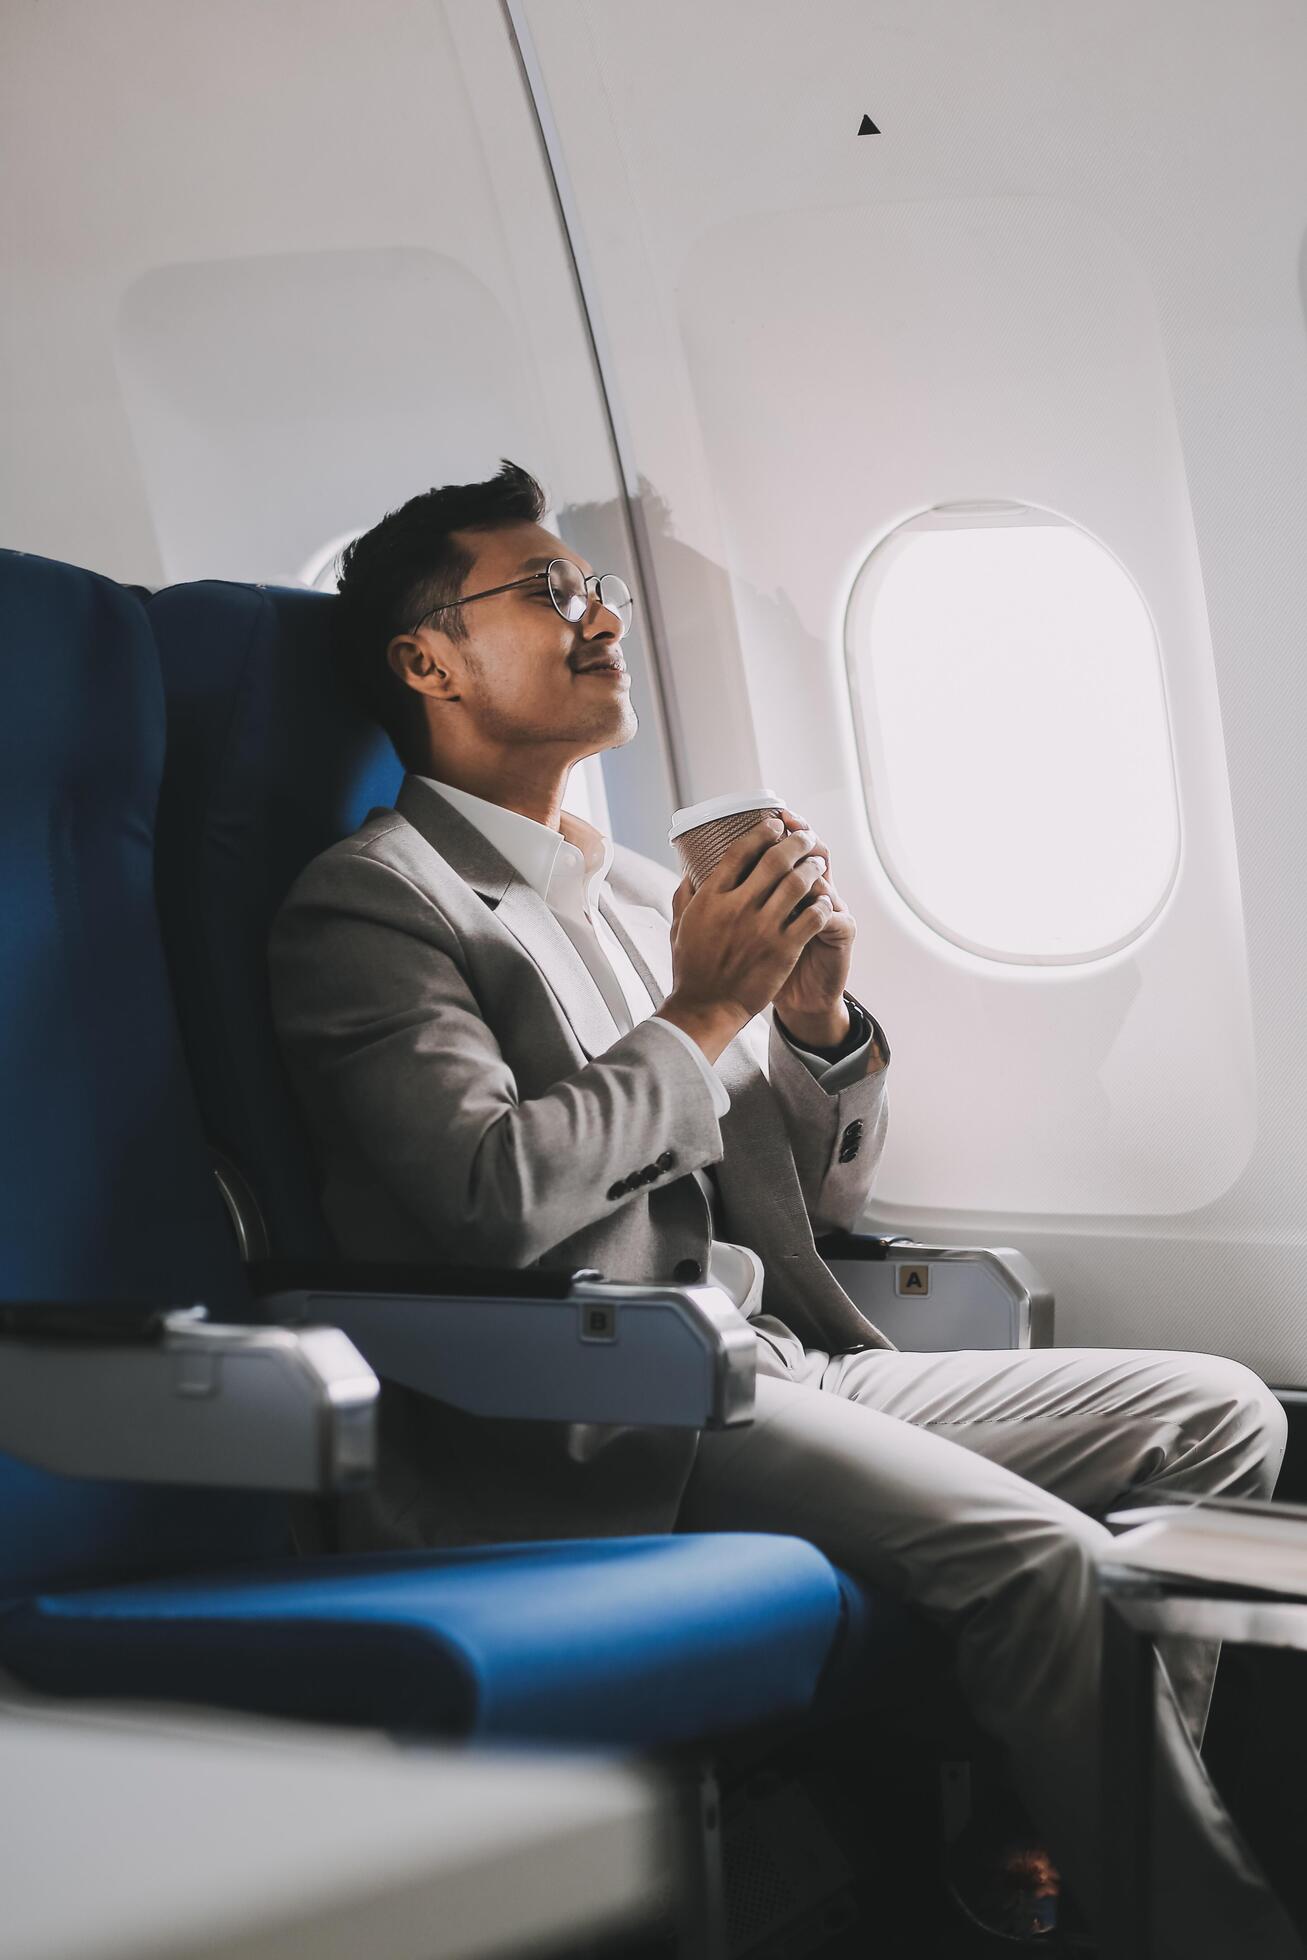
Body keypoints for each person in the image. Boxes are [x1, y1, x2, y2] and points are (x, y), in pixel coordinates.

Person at [269, 461, 1300, 1957]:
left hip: (776, 1362)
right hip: (605, 1409)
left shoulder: (638, 895)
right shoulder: (375, 907)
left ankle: (1046, 1842)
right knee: (1049, 1566)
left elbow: (797, 1199)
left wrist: (811, 1028)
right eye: (547, 591)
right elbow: (487, 1201)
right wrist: (700, 1013)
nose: (598, 616)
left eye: (596, 588)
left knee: (1218, 1417)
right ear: (427, 660)